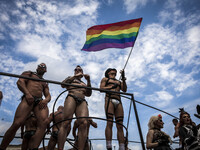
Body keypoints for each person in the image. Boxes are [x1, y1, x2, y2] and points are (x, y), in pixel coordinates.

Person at [0, 63, 51, 150]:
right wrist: (27, 94)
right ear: (37, 67)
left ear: (45, 70)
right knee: (17, 123)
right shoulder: (30, 74)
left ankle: (34, 148)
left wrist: (45, 100)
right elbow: (20, 82)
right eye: (40, 65)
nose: (41, 67)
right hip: (28, 98)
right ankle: (2, 147)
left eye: (43, 66)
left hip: (39, 100)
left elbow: (48, 95)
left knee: (44, 122)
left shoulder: (44, 82)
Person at [58, 65, 92, 150]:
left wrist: (88, 80)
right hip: (72, 96)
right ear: (74, 71)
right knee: (66, 122)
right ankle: (60, 148)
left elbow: (89, 94)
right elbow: (62, 84)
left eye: (80, 70)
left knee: (84, 123)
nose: (78, 71)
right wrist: (74, 76)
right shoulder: (71, 78)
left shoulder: (84, 83)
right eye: (76, 69)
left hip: (82, 100)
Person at [100, 68, 127, 150]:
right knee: (110, 122)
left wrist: (123, 78)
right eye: (112, 71)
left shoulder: (119, 81)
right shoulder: (105, 79)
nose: (114, 72)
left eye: (115, 72)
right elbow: (101, 89)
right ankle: (109, 145)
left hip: (118, 101)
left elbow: (124, 90)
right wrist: (111, 87)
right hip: (109, 99)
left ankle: (122, 147)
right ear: (108, 73)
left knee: (120, 125)